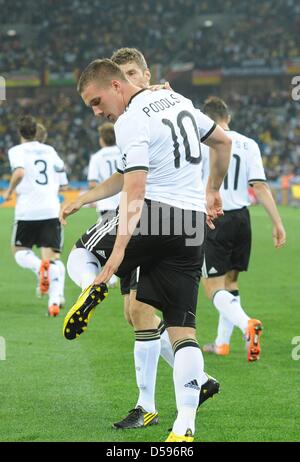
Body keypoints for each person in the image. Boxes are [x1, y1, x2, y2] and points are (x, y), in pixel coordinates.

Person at [60, 58, 232, 442]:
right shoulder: (179, 101)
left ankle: (91, 286)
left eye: (96, 101)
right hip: (190, 224)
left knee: (80, 255)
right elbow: (223, 141)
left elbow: (134, 191)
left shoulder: (130, 120)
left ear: (117, 86)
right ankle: (185, 427)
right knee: (182, 328)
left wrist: (117, 256)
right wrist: (213, 189)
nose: (97, 112)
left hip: (154, 214)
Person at [109, 47, 219, 430]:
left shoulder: (148, 109)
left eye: (131, 73)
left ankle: (149, 404)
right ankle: (195, 384)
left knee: (143, 313)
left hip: (156, 218)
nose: (125, 83)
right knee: (135, 313)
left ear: (144, 73)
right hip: (166, 219)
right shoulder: (142, 112)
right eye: (119, 76)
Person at [200, 97, 286, 361]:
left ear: (206, 119)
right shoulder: (249, 144)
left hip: (214, 218)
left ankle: (246, 324)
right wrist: (277, 222)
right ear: (228, 117)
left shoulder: (203, 141)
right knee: (231, 282)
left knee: (212, 287)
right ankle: (221, 343)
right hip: (241, 219)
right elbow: (259, 186)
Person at [4, 116, 67, 317]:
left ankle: (40, 268)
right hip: (50, 209)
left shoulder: (16, 150)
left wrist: (9, 191)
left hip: (27, 210)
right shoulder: (49, 150)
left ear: (20, 133)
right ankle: (55, 301)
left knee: (19, 251)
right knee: (54, 256)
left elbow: (20, 172)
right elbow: (62, 171)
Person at [87, 122, 120, 288]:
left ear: (101, 139)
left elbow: (93, 183)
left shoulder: (97, 157)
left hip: (106, 203)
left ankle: (111, 275)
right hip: (126, 203)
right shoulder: (124, 152)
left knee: (107, 241)